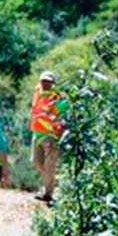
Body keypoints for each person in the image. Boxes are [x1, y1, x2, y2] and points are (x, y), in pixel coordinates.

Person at [29, 71, 69, 205]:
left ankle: (48, 193)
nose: (45, 84)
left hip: (51, 135)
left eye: (48, 81)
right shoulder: (37, 92)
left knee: (49, 165)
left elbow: (63, 116)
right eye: (43, 81)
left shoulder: (58, 97)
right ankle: (51, 183)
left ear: (53, 83)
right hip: (37, 132)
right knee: (36, 161)